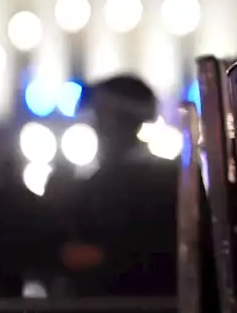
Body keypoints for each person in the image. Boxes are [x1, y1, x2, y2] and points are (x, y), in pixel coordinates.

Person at [55, 74, 177, 298]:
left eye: (100, 116)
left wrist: (104, 258)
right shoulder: (95, 182)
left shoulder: (165, 183)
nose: (95, 124)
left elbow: (168, 255)